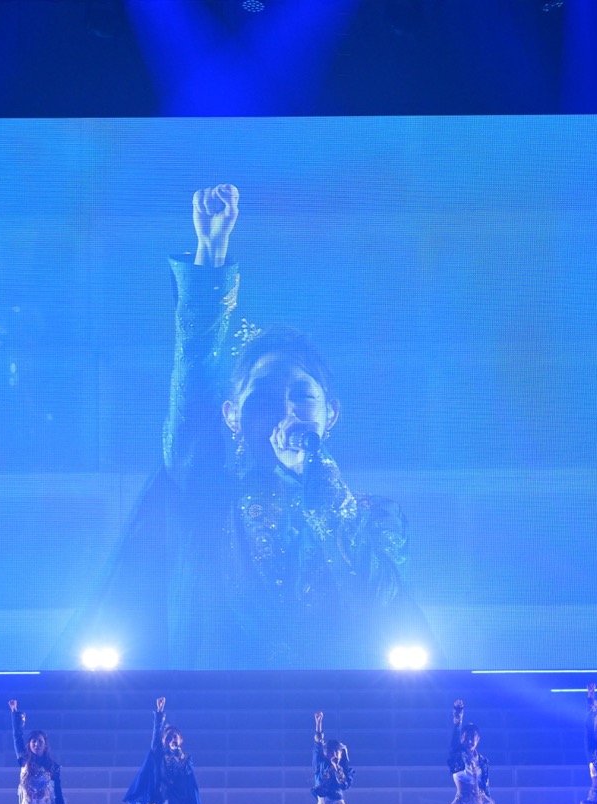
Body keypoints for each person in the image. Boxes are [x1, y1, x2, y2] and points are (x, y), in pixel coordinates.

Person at [65, 183, 427, 669]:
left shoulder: (374, 519)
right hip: (216, 706)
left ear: (331, 414)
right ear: (232, 416)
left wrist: (317, 484)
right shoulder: (206, 495)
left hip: (330, 708)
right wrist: (210, 256)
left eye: (301, 395)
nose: (284, 411)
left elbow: (381, 607)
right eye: (263, 398)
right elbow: (194, 380)